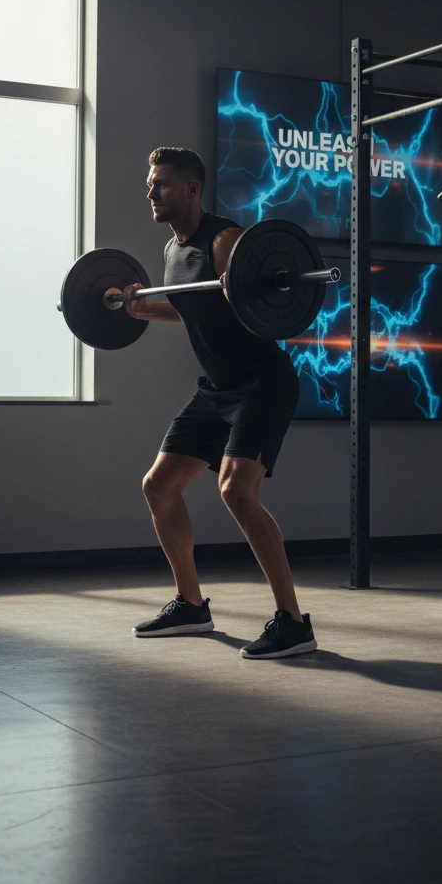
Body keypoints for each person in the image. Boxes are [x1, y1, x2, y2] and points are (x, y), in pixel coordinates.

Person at [126, 146, 316, 659]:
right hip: (217, 389)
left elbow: (266, 308)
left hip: (262, 383)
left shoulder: (226, 240)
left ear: (191, 189)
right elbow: (192, 310)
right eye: (151, 182)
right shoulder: (171, 251)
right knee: (158, 486)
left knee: (236, 492)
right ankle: (191, 606)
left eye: (161, 183)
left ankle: (293, 622)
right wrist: (146, 311)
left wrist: (246, 290)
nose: (151, 190)